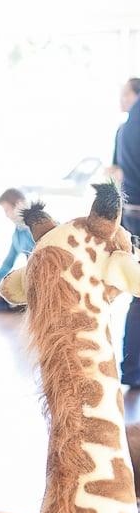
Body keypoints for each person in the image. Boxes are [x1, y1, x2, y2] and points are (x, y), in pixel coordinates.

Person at [113, 78, 140, 388]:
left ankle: (131, 369)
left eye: (125, 94)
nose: (121, 100)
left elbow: (117, 170)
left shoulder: (123, 129)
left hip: (132, 214)